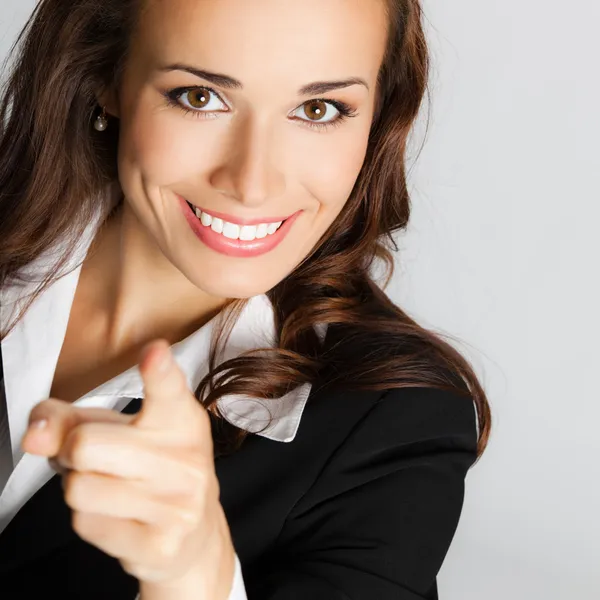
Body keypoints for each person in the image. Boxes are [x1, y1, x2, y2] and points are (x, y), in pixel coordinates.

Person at [0, 0, 492, 598]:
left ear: (379, 117)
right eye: (200, 97)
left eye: (318, 109)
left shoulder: (395, 425)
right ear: (105, 75)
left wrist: (195, 577)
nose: (251, 181)